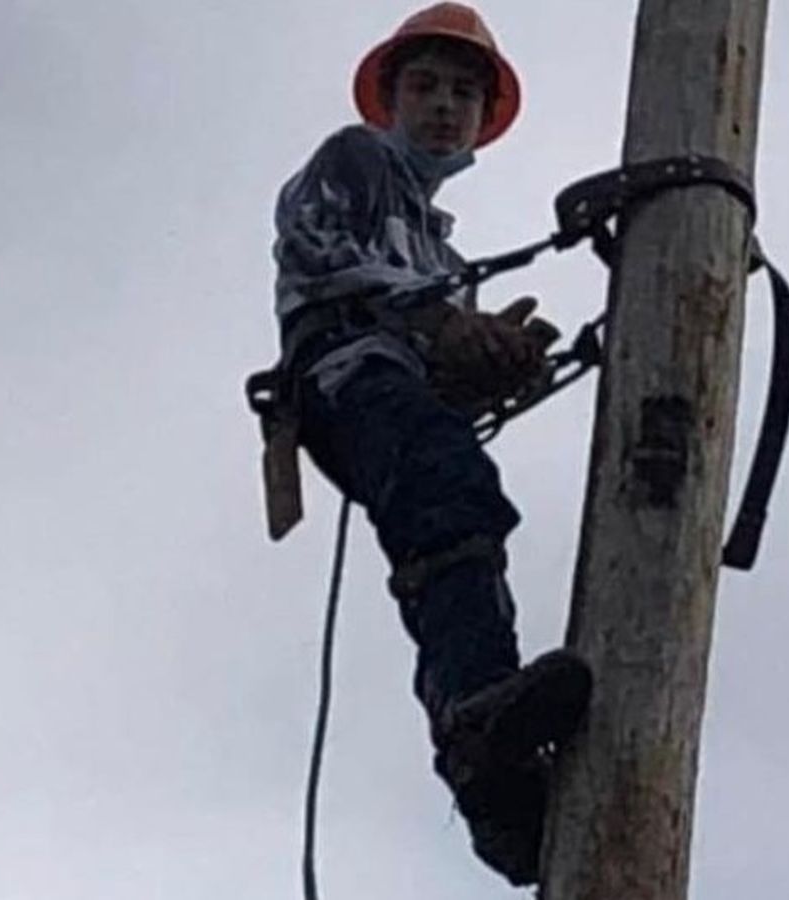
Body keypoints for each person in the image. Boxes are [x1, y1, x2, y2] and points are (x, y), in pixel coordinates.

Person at [270, 3, 591, 885]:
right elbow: (319, 251)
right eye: (426, 87)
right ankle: (477, 711)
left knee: (459, 515)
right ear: (391, 99)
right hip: (344, 375)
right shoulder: (356, 159)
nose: (445, 106)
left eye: (463, 94)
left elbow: (441, 361)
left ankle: (498, 790)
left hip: (389, 390)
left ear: (484, 117)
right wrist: (444, 325)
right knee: (452, 492)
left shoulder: (442, 252)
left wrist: (491, 361)